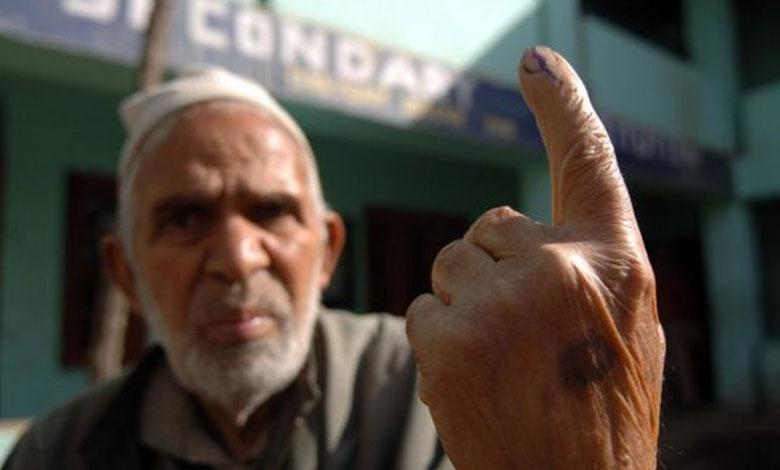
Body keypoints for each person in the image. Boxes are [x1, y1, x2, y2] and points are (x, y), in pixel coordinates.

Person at [3, 46, 665, 470]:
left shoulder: (436, 389)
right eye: (184, 218)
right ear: (126, 273)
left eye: (271, 212)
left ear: (327, 253)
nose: (237, 259)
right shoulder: (59, 453)